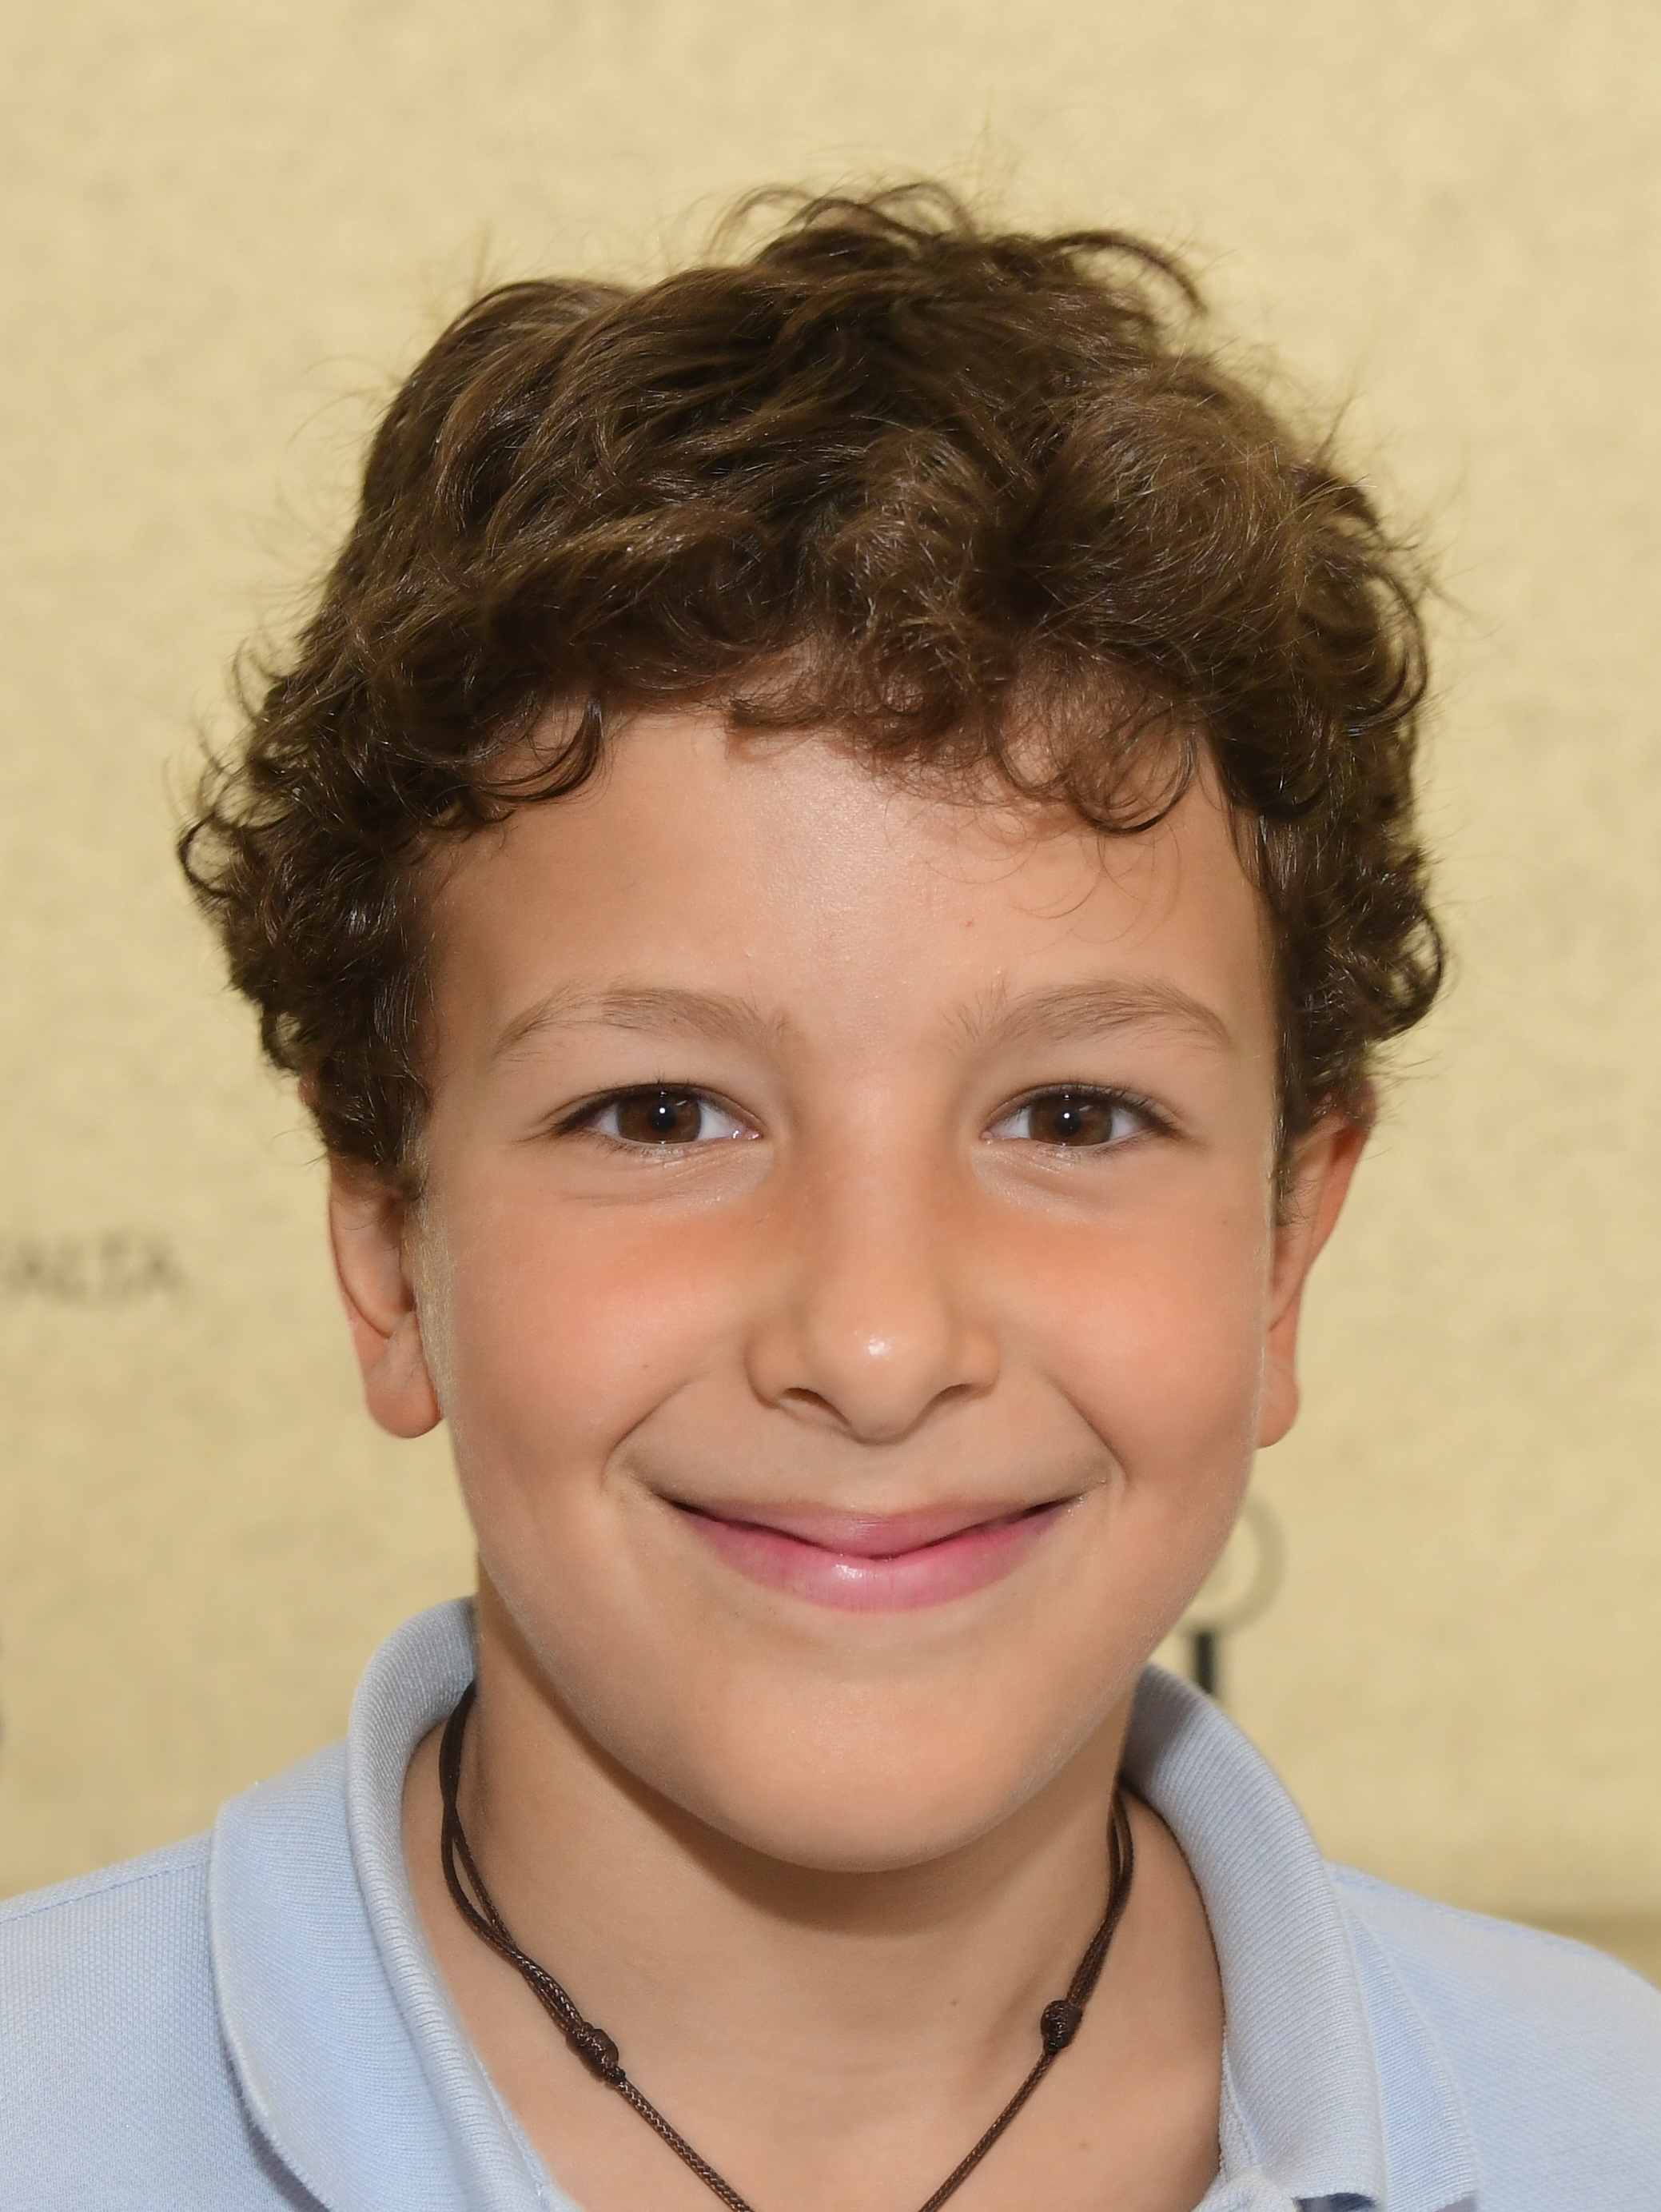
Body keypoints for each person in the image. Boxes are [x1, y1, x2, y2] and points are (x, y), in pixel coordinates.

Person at [2, 185, 1655, 2212]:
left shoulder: (1606, 2128)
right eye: (659, 1113)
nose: (875, 1343)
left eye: (1071, 1114)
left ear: (1285, 1252)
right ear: (385, 1251)